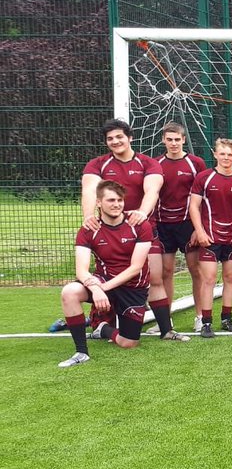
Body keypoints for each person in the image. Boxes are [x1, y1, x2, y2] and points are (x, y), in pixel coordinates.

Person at [78, 118, 188, 341]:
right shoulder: (97, 164)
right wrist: (88, 216)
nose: (115, 141)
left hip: (143, 230)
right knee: (107, 277)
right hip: (108, 233)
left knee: (155, 278)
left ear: (130, 138)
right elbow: (89, 190)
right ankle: (103, 324)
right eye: (110, 138)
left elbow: (152, 191)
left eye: (119, 137)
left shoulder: (148, 163)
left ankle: (166, 330)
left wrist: (142, 213)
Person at [57, 181, 153, 367]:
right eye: (111, 200)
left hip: (133, 286)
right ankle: (81, 352)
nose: (116, 204)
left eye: (120, 200)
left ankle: (102, 328)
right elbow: (81, 270)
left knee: (129, 343)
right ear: (99, 202)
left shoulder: (139, 224)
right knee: (69, 292)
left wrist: (103, 288)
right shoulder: (89, 229)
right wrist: (96, 289)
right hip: (103, 280)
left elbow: (136, 267)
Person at [188, 138, 232, 337]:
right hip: (209, 238)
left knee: (229, 278)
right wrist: (200, 231)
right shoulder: (204, 178)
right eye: (222, 154)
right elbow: (193, 206)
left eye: (230, 154)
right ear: (215, 154)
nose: (226, 157)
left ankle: (227, 319)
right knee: (209, 279)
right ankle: (206, 322)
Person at [153, 122, 206, 332]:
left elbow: (202, 197)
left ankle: (200, 317)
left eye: (177, 139)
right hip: (163, 225)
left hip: (188, 225)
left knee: (195, 269)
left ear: (184, 139)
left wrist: (198, 228)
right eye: (169, 139)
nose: (174, 143)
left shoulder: (196, 163)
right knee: (165, 271)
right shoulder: (156, 164)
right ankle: (166, 320)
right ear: (163, 140)